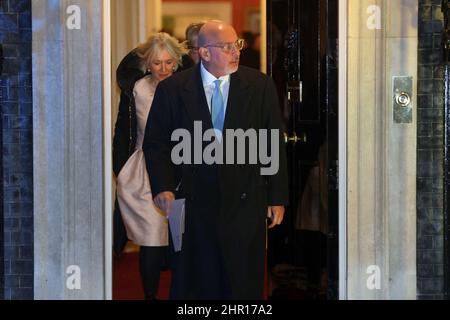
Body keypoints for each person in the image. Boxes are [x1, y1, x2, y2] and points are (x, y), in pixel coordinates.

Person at [143, 20, 289, 299]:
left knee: (241, 281)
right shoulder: (174, 89)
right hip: (193, 200)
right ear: (205, 52)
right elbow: (156, 143)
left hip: (245, 199)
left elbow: (272, 142)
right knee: (196, 282)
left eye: (237, 45)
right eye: (226, 47)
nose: (236, 52)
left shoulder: (259, 85)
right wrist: (163, 186)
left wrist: (276, 196)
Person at [113, 32, 186, 300]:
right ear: (147, 64)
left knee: (180, 239)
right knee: (151, 238)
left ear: (177, 62)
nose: (163, 69)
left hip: (182, 170)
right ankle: (150, 296)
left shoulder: (187, 88)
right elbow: (123, 131)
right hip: (143, 173)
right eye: (157, 63)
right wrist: (121, 167)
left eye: (169, 62)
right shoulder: (137, 90)